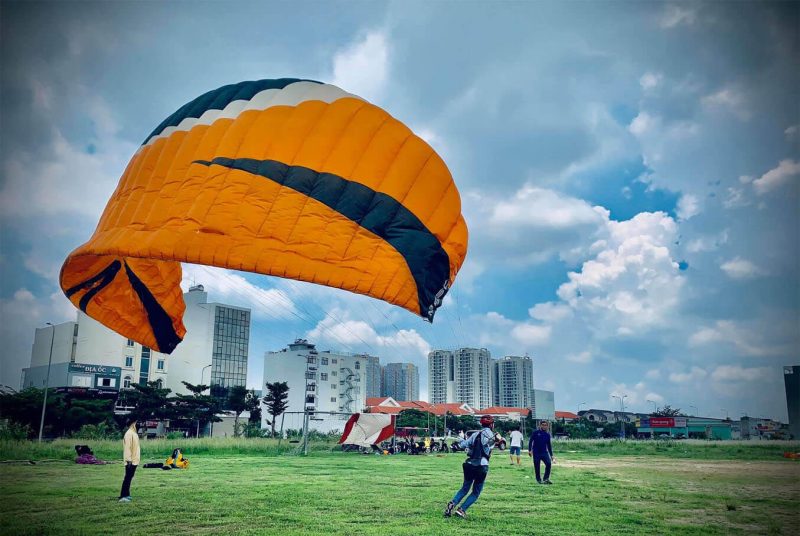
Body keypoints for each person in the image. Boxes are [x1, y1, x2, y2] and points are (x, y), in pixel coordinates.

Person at [444, 415, 495, 519]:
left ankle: (452, 504)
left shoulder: (476, 434)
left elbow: (463, 445)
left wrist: (459, 443)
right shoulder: (491, 435)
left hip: (470, 464)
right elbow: (489, 446)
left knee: (464, 488)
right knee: (476, 492)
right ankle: (461, 510)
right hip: (482, 466)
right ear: (491, 424)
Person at [119, 417, 140, 502]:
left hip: (134, 460)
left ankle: (127, 494)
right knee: (127, 478)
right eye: (136, 422)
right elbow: (127, 448)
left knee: (130, 477)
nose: (138, 424)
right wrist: (128, 460)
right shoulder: (129, 434)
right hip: (130, 461)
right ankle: (123, 496)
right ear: (132, 423)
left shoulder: (134, 433)